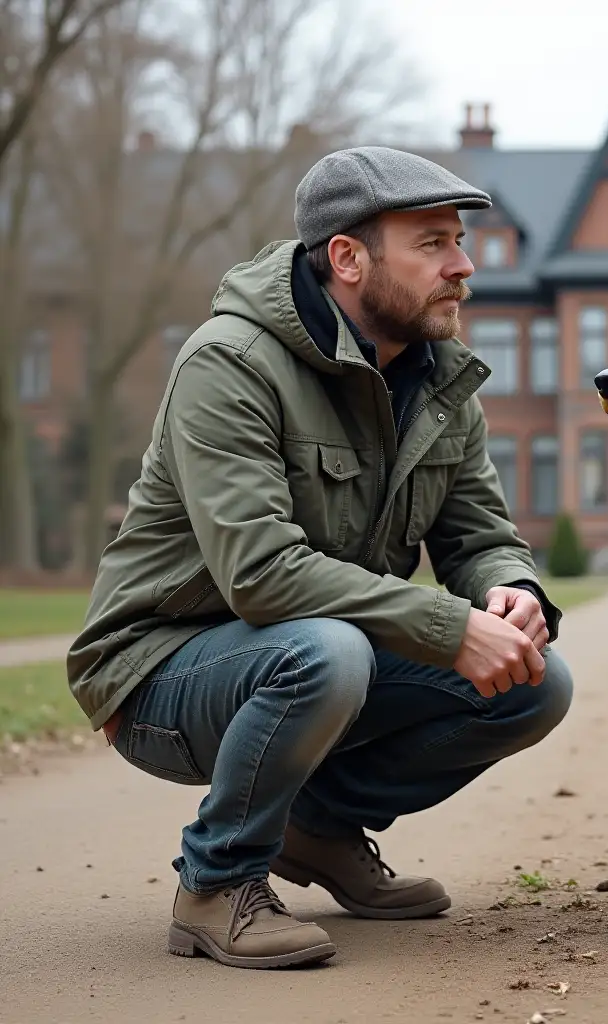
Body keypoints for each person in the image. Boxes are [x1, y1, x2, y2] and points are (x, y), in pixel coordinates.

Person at [66, 146, 573, 971]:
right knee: (324, 652)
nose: (464, 264)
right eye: (434, 244)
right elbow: (261, 574)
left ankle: (320, 831)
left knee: (534, 682)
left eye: (458, 241)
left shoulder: (440, 379)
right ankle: (215, 886)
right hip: (159, 670)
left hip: (305, 653)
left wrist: (508, 592)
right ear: (347, 257)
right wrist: (449, 626)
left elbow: (477, 535)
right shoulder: (229, 362)